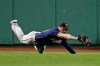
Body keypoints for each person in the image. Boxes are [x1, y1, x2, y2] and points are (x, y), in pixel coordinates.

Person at [10, 20, 91, 54]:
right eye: (64, 29)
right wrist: (76, 38)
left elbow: (66, 44)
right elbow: (64, 35)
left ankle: (37, 46)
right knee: (22, 39)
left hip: (41, 41)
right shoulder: (55, 32)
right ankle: (14, 24)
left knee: (41, 52)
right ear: (60, 27)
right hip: (33, 37)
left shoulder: (60, 35)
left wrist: (74, 53)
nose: (65, 30)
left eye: (66, 29)